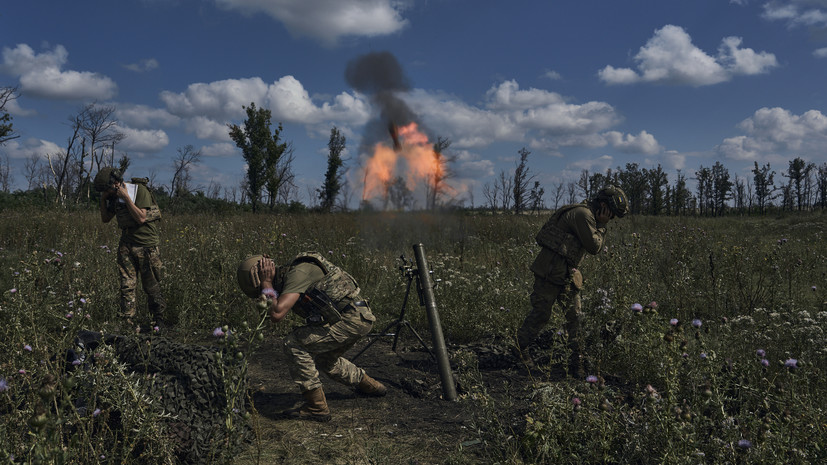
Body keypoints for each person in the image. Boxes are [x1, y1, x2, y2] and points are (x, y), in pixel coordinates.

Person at [237, 252, 387, 422]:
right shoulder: (289, 277)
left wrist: (265, 283)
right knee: (326, 361)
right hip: (352, 318)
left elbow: (277, 314)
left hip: (352, 319)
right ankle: (372, 386)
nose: (263, 294)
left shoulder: (297, 273)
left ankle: (317, 407)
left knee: (293, 342)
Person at [516, 185, 629, 376]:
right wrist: (601, 226)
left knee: (575, 318)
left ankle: (578, 361)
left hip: (567, 274)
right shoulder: (583, 215)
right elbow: (594, 246)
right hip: (550, 273)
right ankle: (520, 349)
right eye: (612, 214)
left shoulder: (588, 215)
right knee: (541, 314)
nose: (611, 219)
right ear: (604, 205)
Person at [94, 167, 166, 329]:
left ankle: (158, 321)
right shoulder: (113, 197)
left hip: (146, 245)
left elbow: (141, 217)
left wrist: (126, 198)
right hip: (126, 245)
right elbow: (105, 218)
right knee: (127, 285)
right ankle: (127, 322)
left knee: (152, 285)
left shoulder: (139, 191)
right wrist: (103, 200)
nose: (108, 192)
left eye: (108, 189)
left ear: (117, 183)